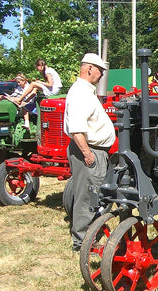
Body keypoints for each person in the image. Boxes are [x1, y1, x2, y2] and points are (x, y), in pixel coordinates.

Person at [63, 53, 115, 252]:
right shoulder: (80, 93)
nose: (102, 75)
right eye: (100, 70)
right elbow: (77, 129)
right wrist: (88, 154)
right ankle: (82, 241)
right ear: (89, 69)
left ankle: (88, 233)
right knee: (88, 194)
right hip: (90, 150)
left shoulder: (86, 91)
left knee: (90, 192)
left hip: (94, 149)